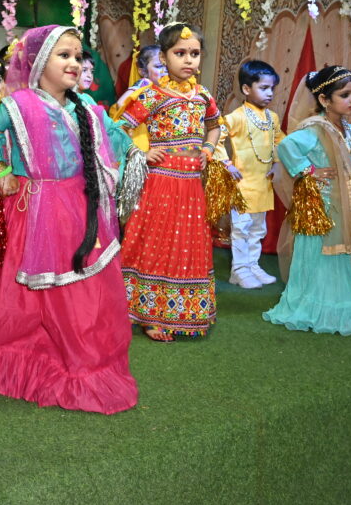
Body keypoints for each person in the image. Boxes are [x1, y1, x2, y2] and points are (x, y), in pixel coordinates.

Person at [0, 24, 141, 415]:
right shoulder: (18, 106)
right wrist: (1, 169)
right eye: (63, 55)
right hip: (32, 214)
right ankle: (18, 359)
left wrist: (137, 158)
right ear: (36, 62)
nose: (74, 63)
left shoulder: (87, 107)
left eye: (78, 56)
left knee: (84, 297)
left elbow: (117, 141)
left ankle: (82, 362)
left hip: (82, 215)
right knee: (22, 301)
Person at [116, 23, 221, 342]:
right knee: (154, 242)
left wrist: (208, 149)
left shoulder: (202, 94)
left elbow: (215, 126)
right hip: (160, 183)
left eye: (194, 54)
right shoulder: (152, 93)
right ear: (164, 56)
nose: (188, 60)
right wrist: (140, 152)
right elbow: (117, 128)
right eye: (180, 53)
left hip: (191, 184)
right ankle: (149, 315)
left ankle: (183, 310)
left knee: (187, 243)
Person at [263, 65, 351, 336]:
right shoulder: (315, 128)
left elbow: (349, 162)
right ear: (324, 100)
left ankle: (341, 307)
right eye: (345, 95)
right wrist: (310, 171)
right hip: (322, 206)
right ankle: (312, 307)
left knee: (341, 253)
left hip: (343, 205)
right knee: (320, 255)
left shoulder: (348, 129)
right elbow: (286, 146)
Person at [215, 60, 286, 289]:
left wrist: (276, 163)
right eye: (264, 88)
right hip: (243, 183)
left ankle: (253, 265)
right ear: (247, 89)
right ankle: (240, 270)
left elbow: (279, 141)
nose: (270, 93)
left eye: (272, 88)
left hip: (263, 183)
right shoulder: (237, 117)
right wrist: (226, 163)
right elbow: (215, 137)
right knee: (242, 227)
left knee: (258, 228)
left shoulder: (271, 118)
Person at [110, 44, 164, 152]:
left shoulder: (164, 88)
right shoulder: (145, 83)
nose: (164, 70)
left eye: (166, 65)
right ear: (142, 72)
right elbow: (121, 103)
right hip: (141, 137)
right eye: (158, 66)